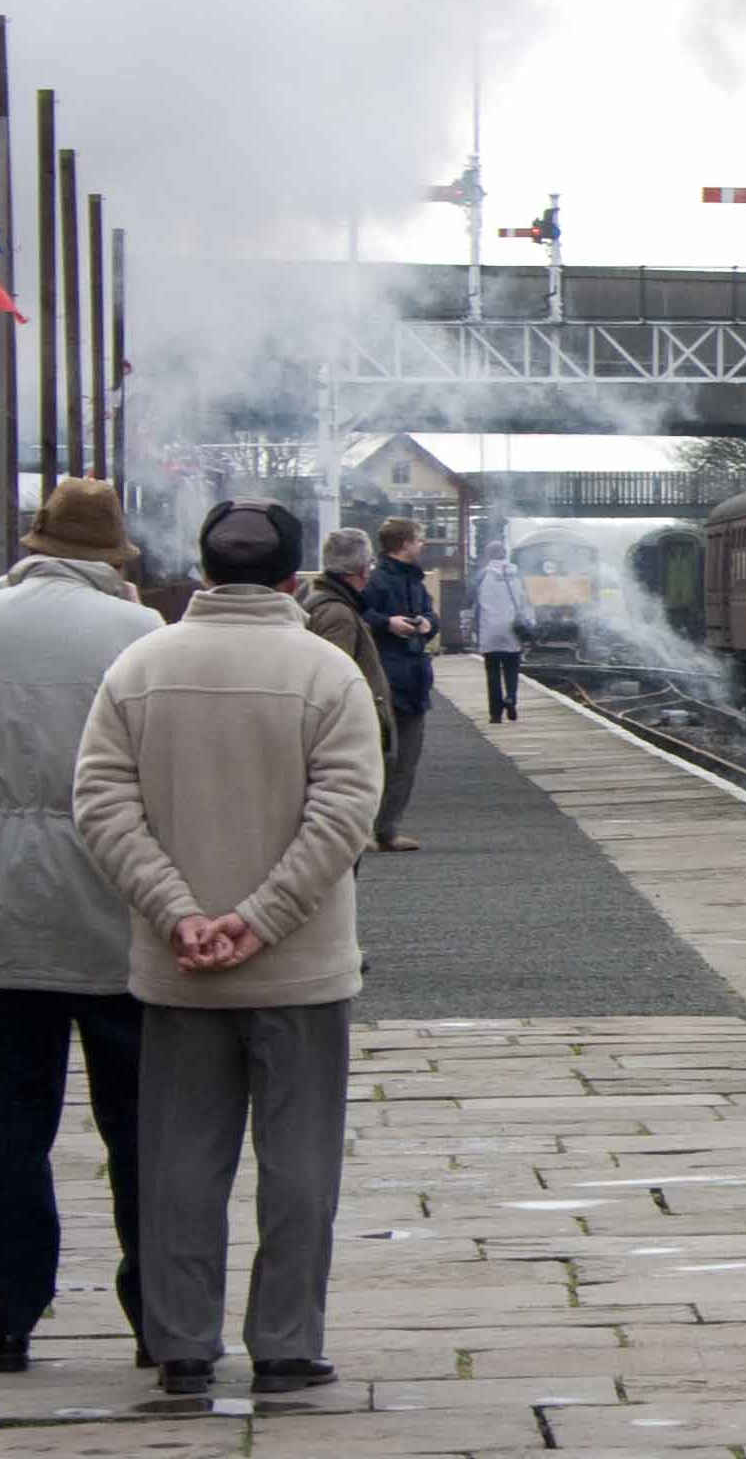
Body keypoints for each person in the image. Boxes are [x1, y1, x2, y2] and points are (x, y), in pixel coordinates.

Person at [73, 499, 382, 1399]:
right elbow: (344, 813)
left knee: (177, 1163)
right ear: (293, 578)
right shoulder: (328, 673)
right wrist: (262, 917)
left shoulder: (139, 667)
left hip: (178, 968)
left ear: (202, 573)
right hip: (301, 964)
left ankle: (182, 1347)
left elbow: (101, 805)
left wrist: (180, 915)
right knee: (299, 1165)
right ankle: (286, 1344)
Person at [0, 480, 163, 1375]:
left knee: (9, 1132)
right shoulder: (141, 640)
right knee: (143, 1130)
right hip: (118, 917)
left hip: (5, 925)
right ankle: (157, 1316)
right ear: (112, 557)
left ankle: (8, 1313)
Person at [359, 518, 436, 853]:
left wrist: (425, 625)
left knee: (407, 759)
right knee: (381, 758)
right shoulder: (376, 580)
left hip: (415, 678)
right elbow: (360, 616)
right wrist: (388, 623)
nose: (423, 545)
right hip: (386, 678)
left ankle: (388, 829)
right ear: (403, 544)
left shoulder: (416, 582)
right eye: (419, 539)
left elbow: (432, 616)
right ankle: (366, 829)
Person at [301, 531, 394, 760]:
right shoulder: (338, 614)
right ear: (362, 569)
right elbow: (334, 686)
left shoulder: (319, 601)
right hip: (349, 740)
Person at [468, 542, 530, 724]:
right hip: (512, 630)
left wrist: (469, 627)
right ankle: (511, 698)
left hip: (489, 630)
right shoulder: (516, 574)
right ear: (505, 555)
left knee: (493, 672)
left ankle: (495, 714)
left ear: (488, 556)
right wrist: (529, 624)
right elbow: (525, 602)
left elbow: (471, 602)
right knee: (512, 669)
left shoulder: (481, 576)